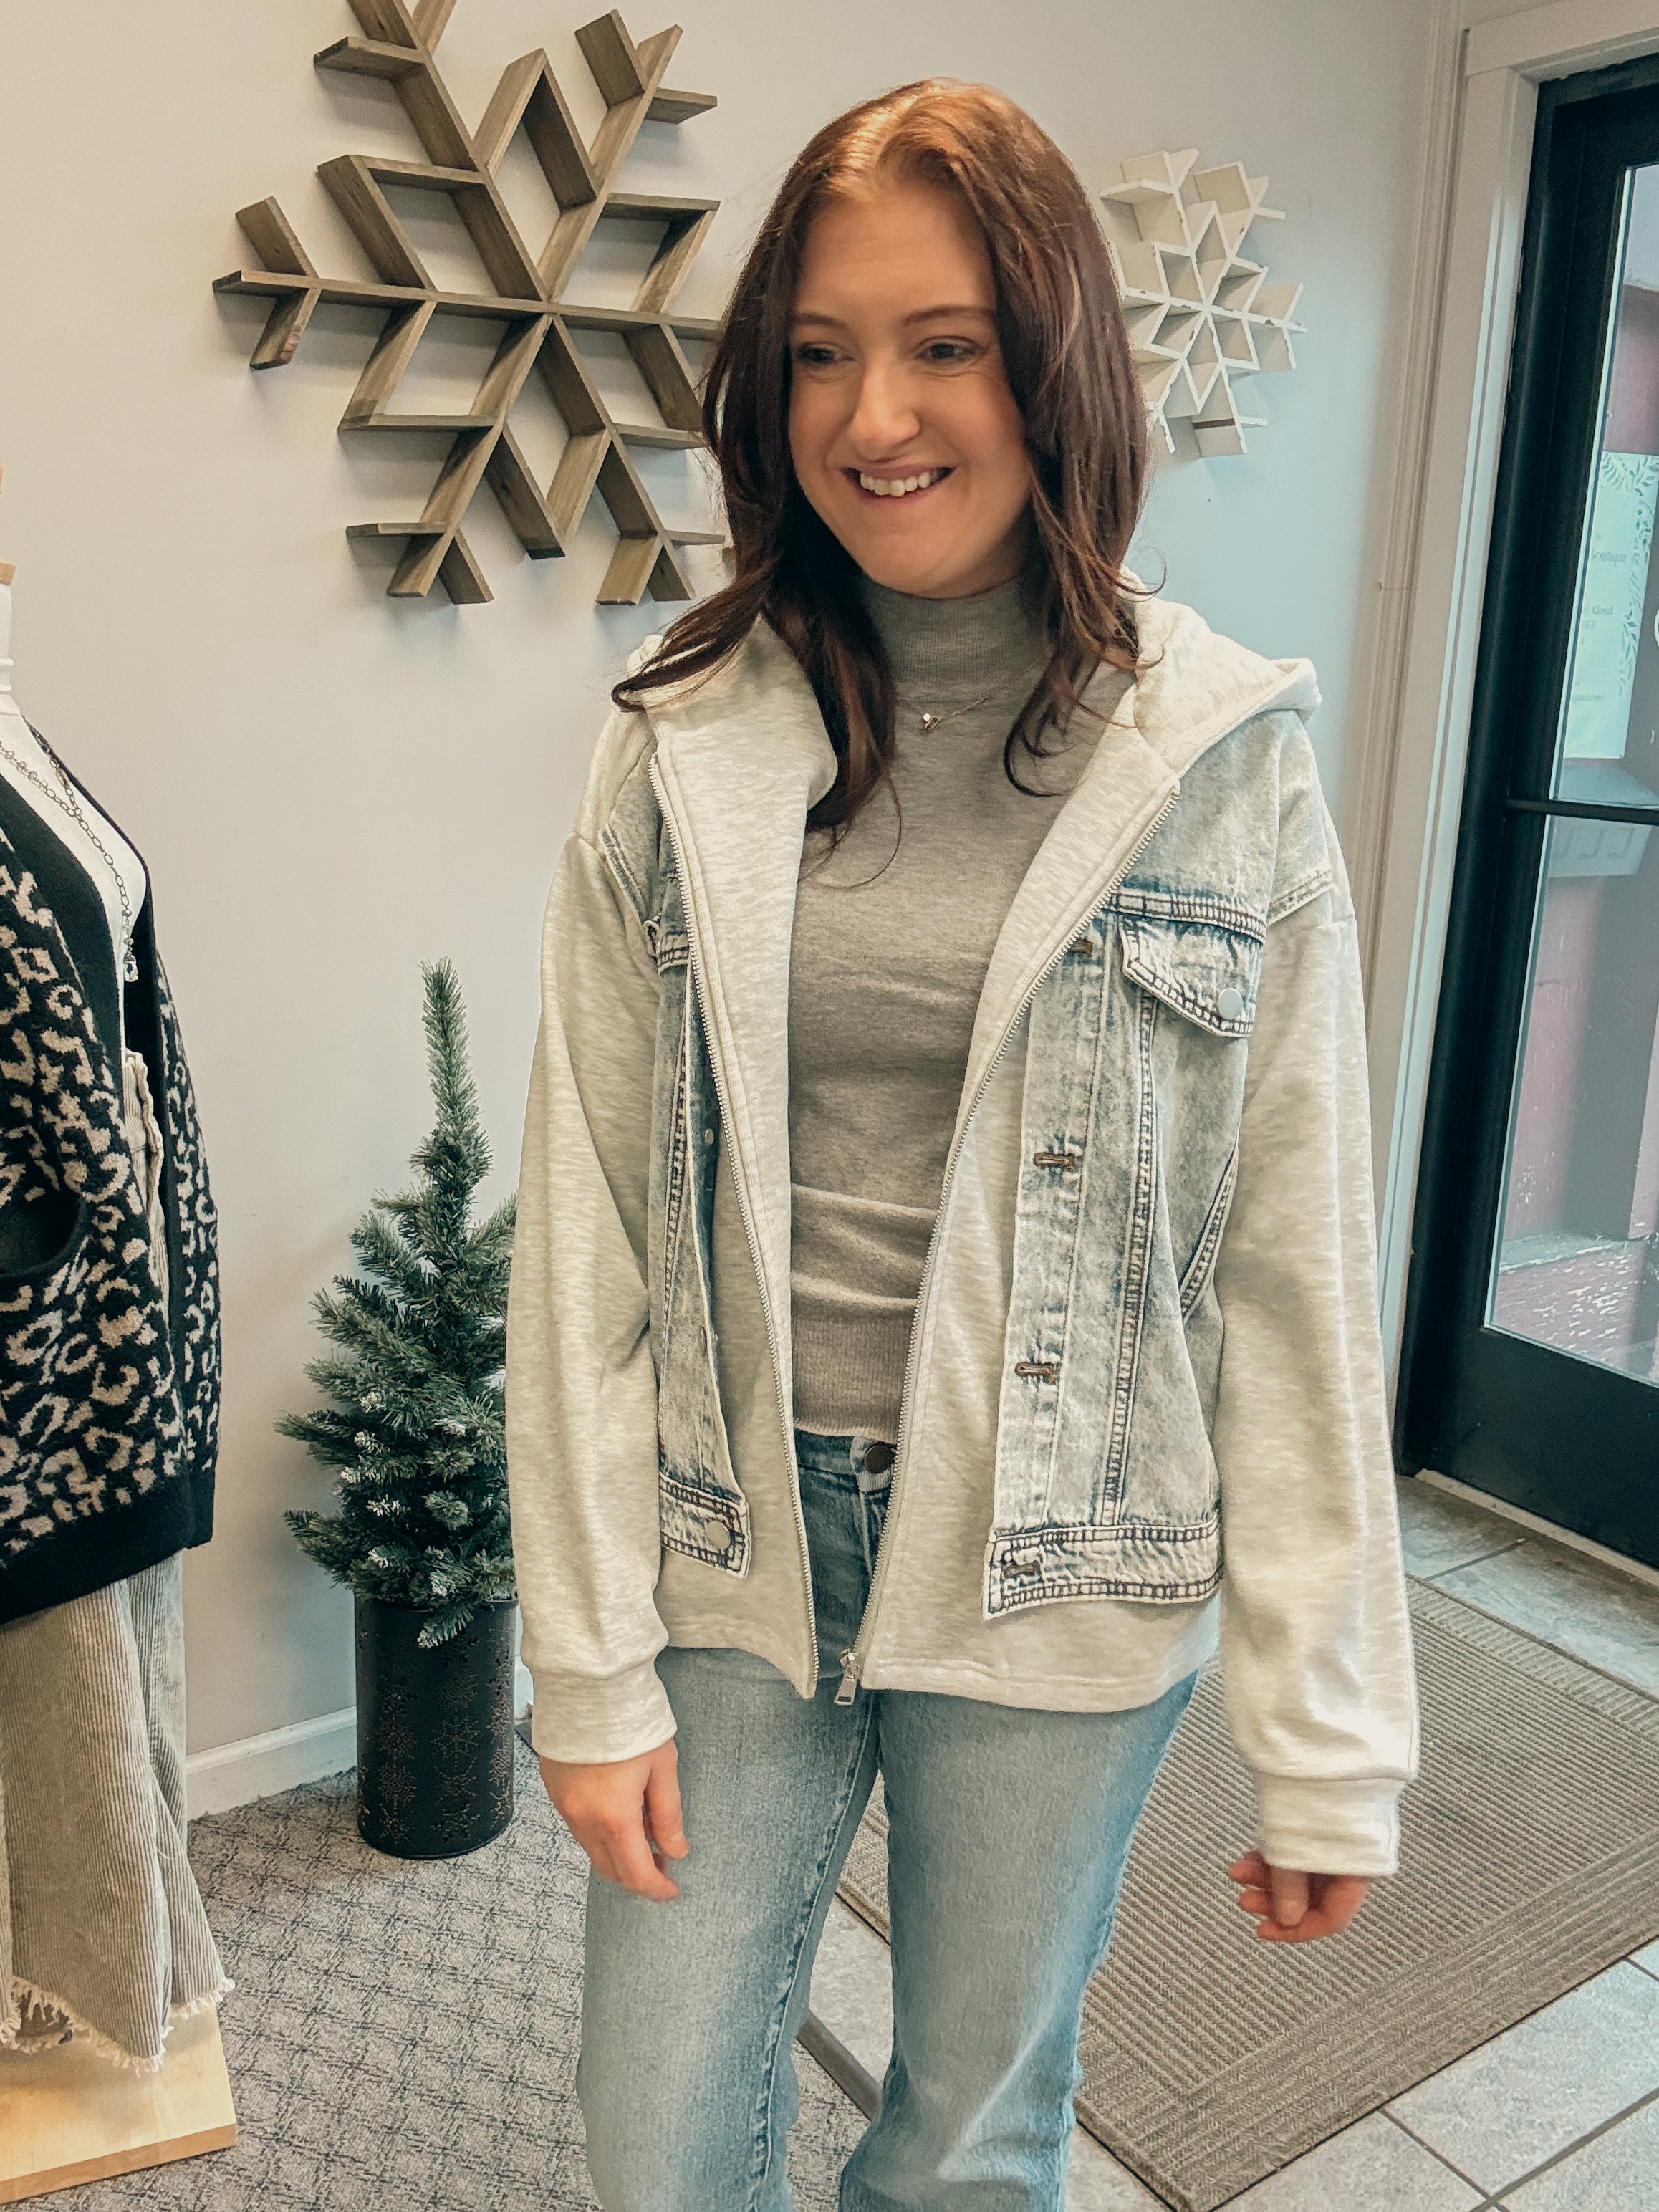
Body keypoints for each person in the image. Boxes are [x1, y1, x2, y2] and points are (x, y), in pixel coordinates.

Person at [506, 75, 1419, 2212]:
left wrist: (1326, 1731)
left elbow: (1291, 1260)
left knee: (970, 2140)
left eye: (947, 345)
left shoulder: (1220, 757)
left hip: (1063, 1562)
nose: (877, 415)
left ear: (1055, 365)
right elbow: (586, 1239)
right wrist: (584, 1662)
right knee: (655, 2134)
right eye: (819, 353)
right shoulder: (680, 745)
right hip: (732, 1534)